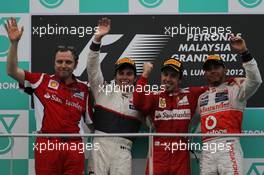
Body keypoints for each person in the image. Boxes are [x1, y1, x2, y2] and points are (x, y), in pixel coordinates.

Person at [5, 17, 93, 175]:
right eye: (59, 62)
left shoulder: (84, 88)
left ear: (76, 64)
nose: (63, 65)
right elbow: (11, 71)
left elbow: (90, 123)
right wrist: (14, 44)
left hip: (74, 146)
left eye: (68, 62)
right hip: (47, 144)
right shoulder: (40, 80)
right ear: (54, 63)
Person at [86, 18, 145, 175]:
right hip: (100, 146)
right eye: (121, 73)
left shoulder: (141, 98)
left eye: (129, 74)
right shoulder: (102, 90)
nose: (125, 77)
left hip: (124, 149)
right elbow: (92, 69)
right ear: (115, 75)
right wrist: (97, 39)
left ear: (135, 77)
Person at [198, 35, 262, 175]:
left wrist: (244, 52)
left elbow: (256, 81)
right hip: (207, 148)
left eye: (216, 67)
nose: (213, 71)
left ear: (225, 70)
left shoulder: (236, 89)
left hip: (228, 145)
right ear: (205, 73)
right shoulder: (201, 97)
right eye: (209, 69)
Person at [133, 58, 207, 175]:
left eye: (173, 76)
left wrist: (233, 80)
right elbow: (137, 103)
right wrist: (145, 75)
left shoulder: (190, 94)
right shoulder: (154, 96)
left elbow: (215, 88)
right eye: (165, 75)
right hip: (158, 157)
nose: (168, 79)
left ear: (180, 80)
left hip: (181, 158)